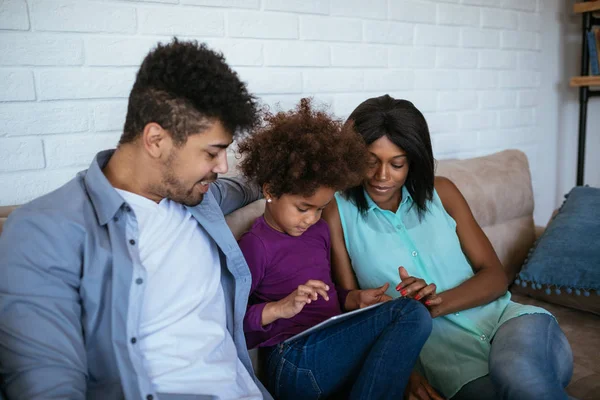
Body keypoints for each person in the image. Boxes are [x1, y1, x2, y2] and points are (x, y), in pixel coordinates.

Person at [0, 39, 273, 400]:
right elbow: (48, 384)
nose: (222, 167)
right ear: (155, 139)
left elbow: (251, 184)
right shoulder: (45, 231)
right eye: (212, 152)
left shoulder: (200, 197)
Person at [323, 95, 574, 400]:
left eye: (397, 163)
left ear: (413, 159)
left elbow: (494, 276)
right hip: (452, 366)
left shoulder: (442, 192)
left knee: (519, 376)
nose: (382, 176)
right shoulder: (336, 213)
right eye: (370, 161)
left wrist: (436, 303)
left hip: (511, 325)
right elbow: (352, 314)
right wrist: (401, 373)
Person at [236, 99, 433, 400]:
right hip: (293, 360)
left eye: (321, 208)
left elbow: (326, 296)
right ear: (271, 189)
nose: (312, 218)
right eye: (303, 208)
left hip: (330, 351)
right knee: (411, 313)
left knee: (409, 314)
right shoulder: (255, 245)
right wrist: (280, 308)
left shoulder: (318, 231)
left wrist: (353, 299)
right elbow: (230, 321)